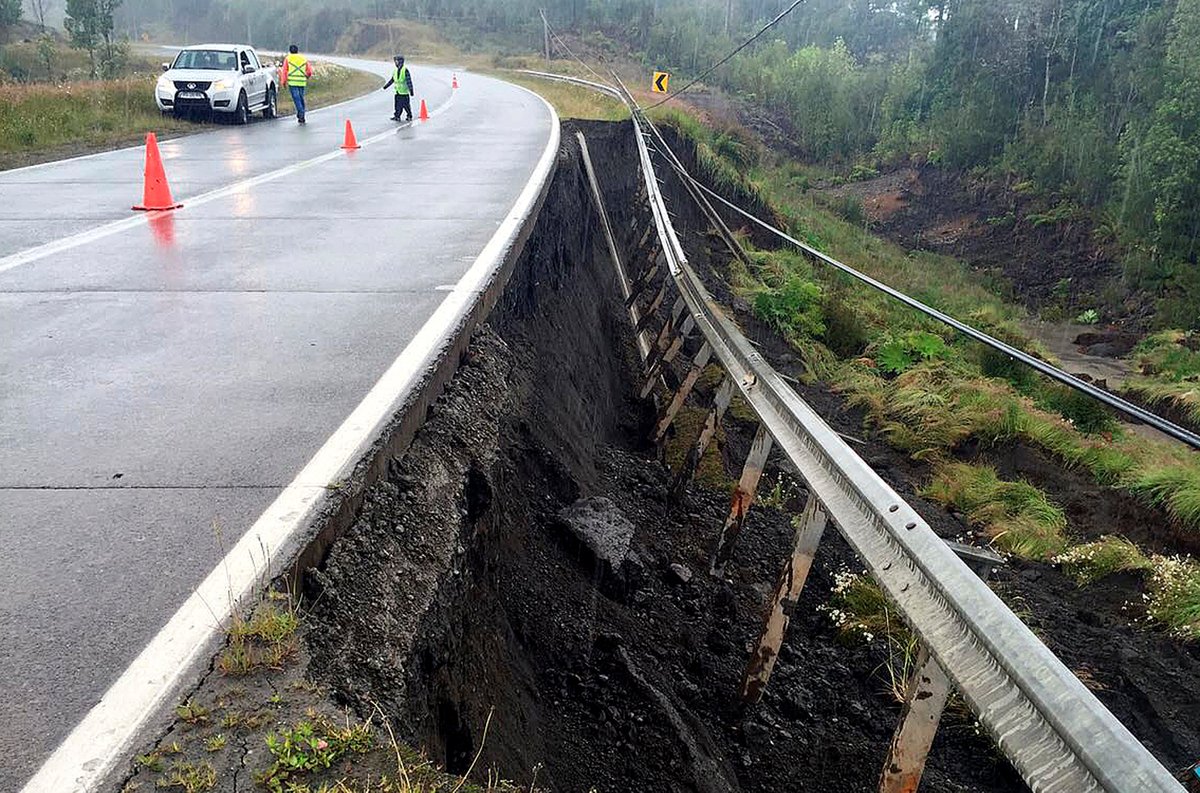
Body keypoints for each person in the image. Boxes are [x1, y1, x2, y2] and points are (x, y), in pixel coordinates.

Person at [281, 44, 312, 124]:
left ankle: (301, 112)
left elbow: (284, 71)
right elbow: (309, 71)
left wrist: (283, 82)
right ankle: (302, 113)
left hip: (292, 82)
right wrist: (307, 76)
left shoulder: (288, 59)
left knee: (296, 98)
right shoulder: (303, 58)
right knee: (301, 98)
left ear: (290, 51)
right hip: (301, 81)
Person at [382, 54, 415, 122]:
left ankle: (409, 116)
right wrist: (386, 86)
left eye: (396, 61)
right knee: (397, 105)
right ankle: (397, 116)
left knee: (406, 106)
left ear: (400, 61)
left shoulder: (405, 70)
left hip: (404, 93)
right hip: (398, 92)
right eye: (395, 61)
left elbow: (409, 81)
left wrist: (411, 90)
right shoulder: (395, 71)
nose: (395, 63)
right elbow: (392, 80)